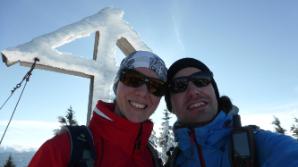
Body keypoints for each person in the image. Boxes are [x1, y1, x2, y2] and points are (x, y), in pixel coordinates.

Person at [29, 51, 167, 167]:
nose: (143, 92)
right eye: (133, 79)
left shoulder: (151, 158)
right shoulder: (62, 150)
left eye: (156, 86)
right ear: (117, 84)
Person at [164, 57, 298, 167]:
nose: (193, 91)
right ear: (171, 107)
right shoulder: (173, 163)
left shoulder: (261, 146)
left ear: (215, 94)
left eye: (201, 80)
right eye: (179, 85)